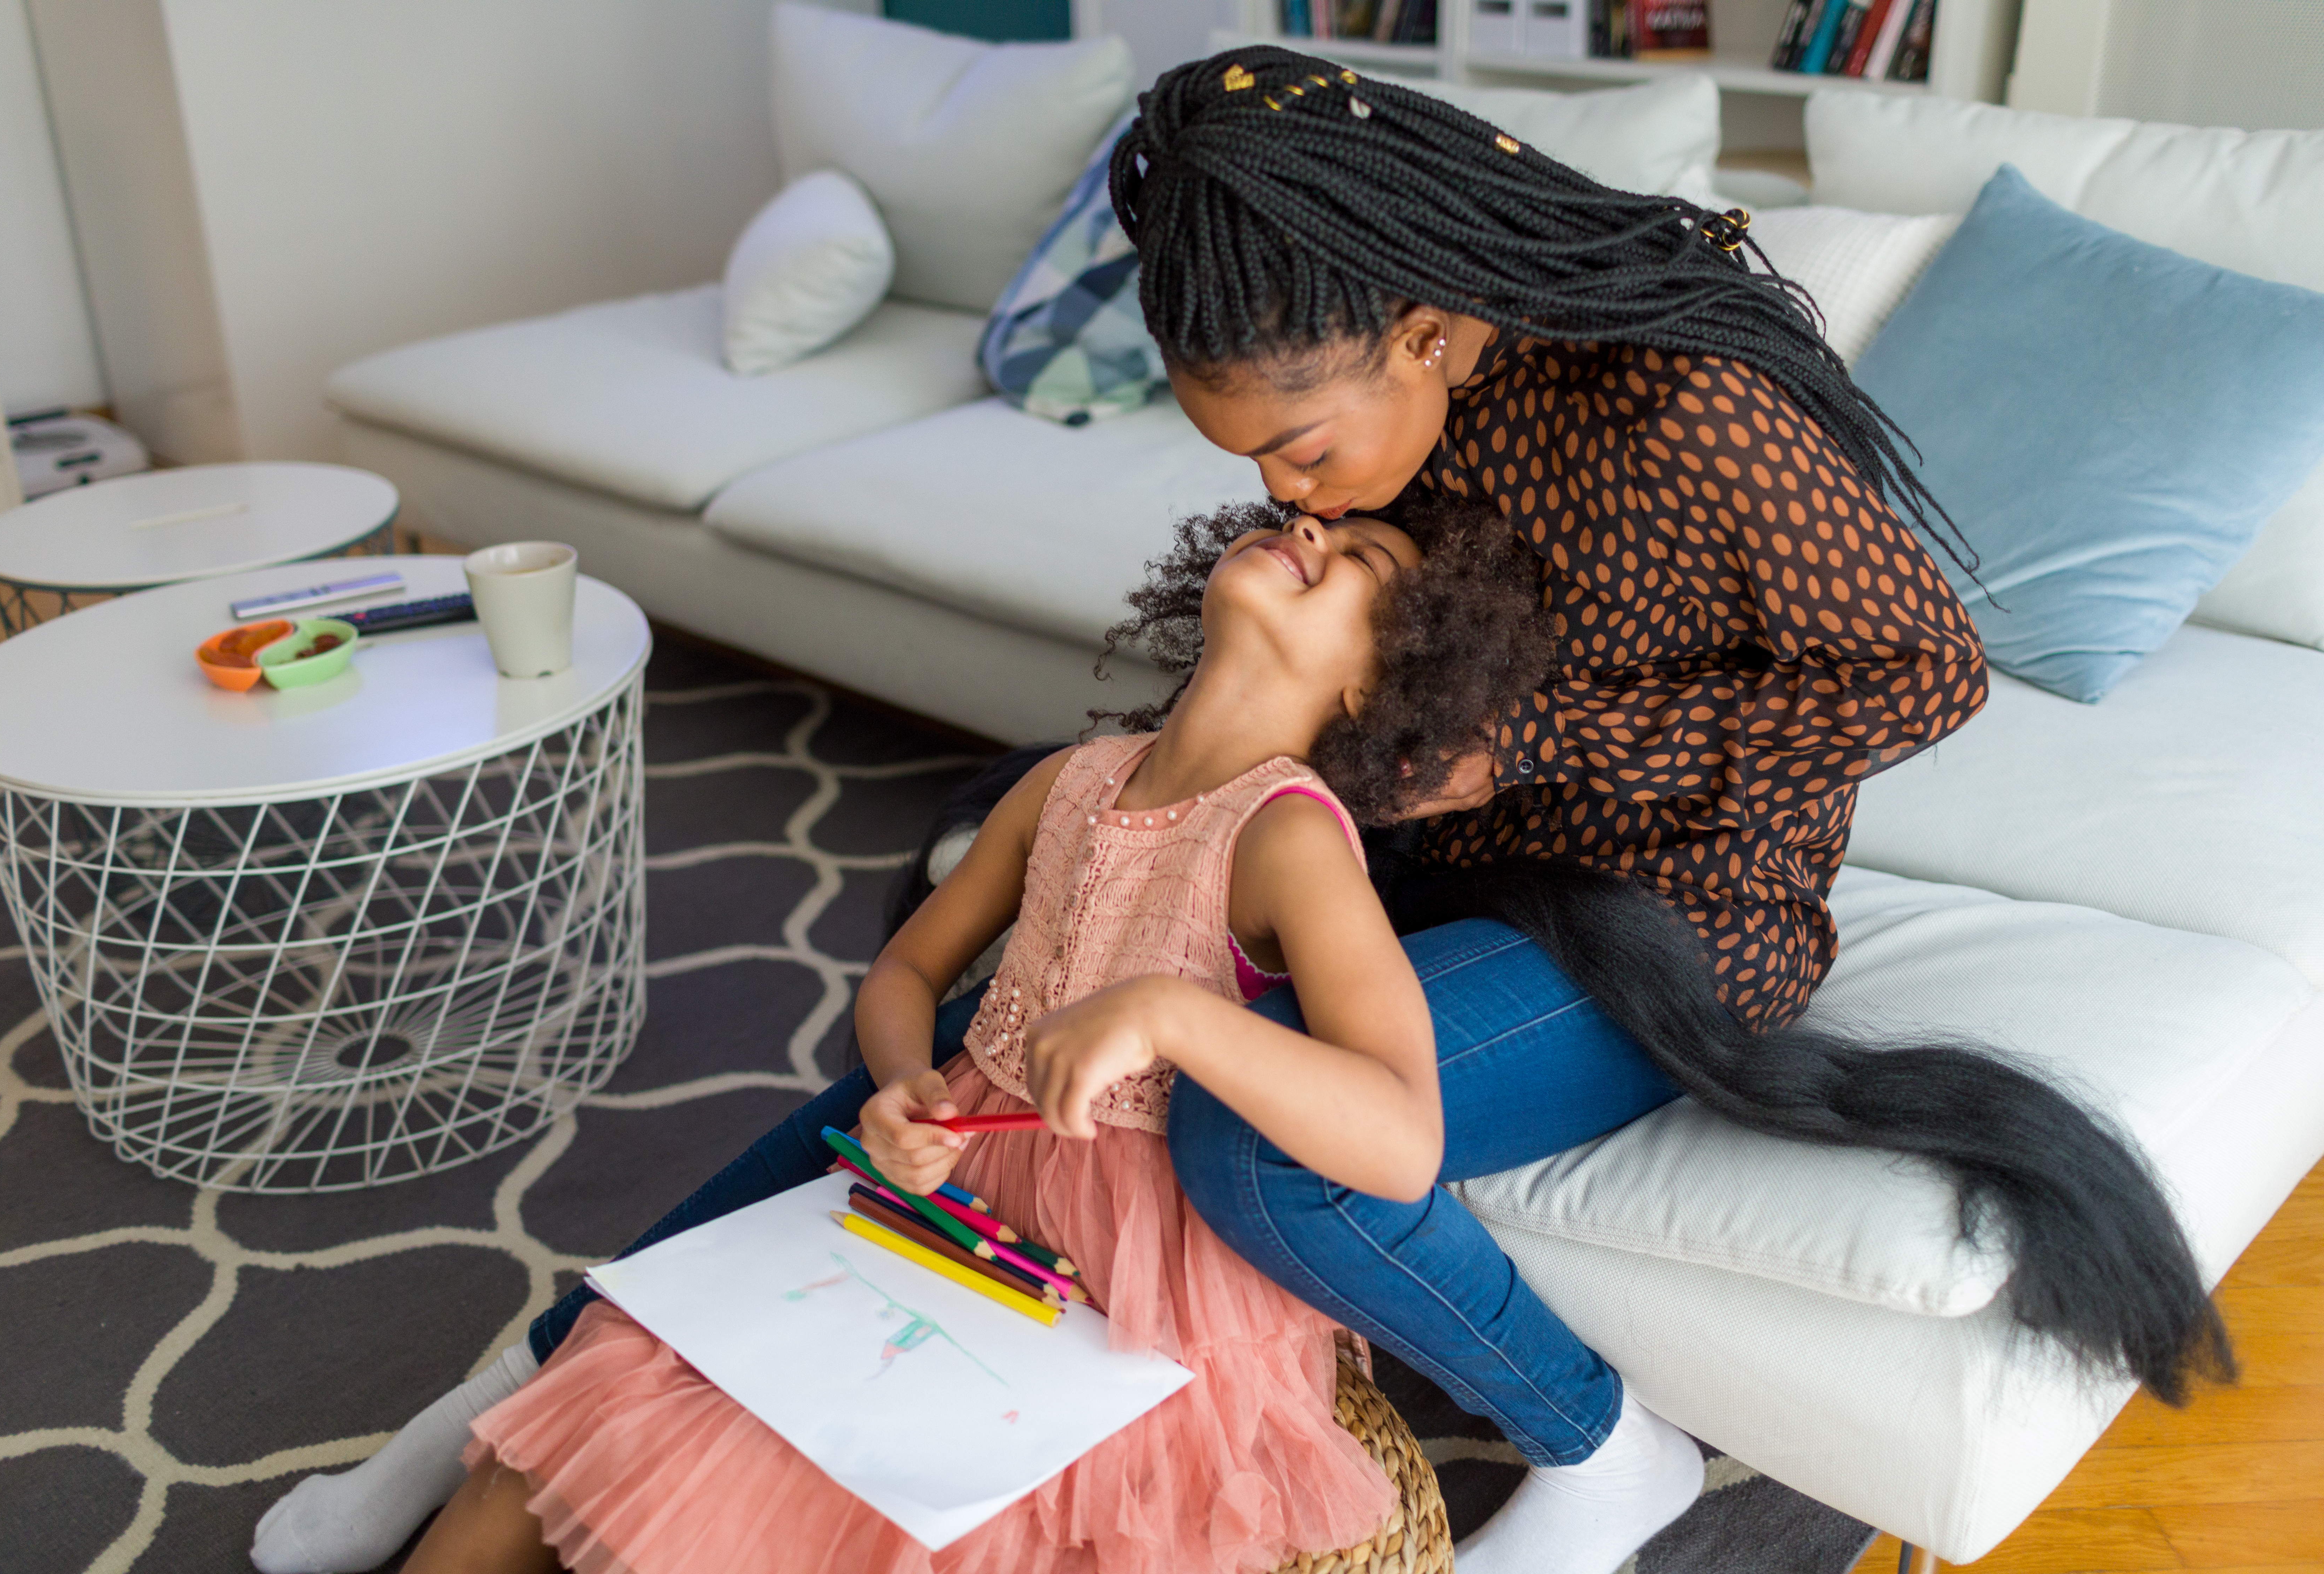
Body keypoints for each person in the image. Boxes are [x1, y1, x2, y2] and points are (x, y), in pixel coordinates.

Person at [255, 46, 2231, 1574]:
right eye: (1245, 465)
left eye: (1300, 448)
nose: (1290, 502)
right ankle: (517, 1398)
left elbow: (1923, 678)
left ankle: (1604, 1446)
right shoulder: (1360, 443)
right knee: (976, 1048)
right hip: (1408, 860)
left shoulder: (1682, 410)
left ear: (1436, 334)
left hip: (1661, 909)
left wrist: (1546, 757)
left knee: (1258, 1152)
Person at [395, 497, 1568, 1574]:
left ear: (1378, 689)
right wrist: (902, 1083)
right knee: (599, 1397)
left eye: (1359, 557)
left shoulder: (1290, 839)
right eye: (1307, 518)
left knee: (867, 1516)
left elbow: (1402, 1136)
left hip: (1132, 1290)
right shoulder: (1069, 780)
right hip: (948, 1219)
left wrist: (1175, 1015)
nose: (1310, 524)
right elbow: (909, 967)